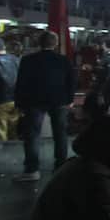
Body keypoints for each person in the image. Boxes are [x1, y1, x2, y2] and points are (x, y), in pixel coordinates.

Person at [14, 31, 76, 182]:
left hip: (34, 101)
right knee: (60, 134)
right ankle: (60, 166)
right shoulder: (63, 60)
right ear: (55, 44)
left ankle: (32, 169)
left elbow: (21, 83)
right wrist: (69, 99)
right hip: (59, 100)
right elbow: (71, 81)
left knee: (33, 135)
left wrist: (19, 103)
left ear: (38, 43)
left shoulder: (28, 60)